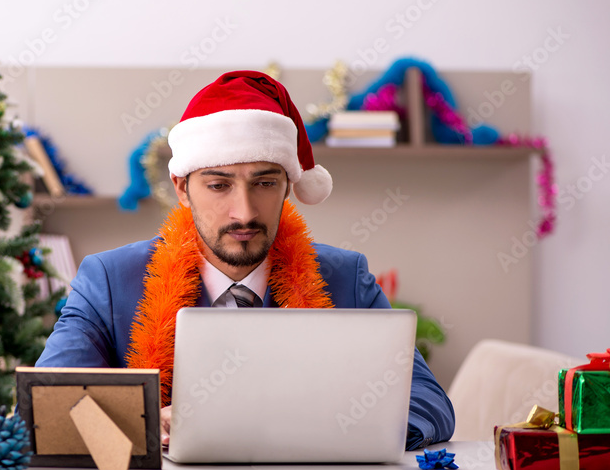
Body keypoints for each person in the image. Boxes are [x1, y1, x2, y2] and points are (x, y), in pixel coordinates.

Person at [35, 70, 455, 450]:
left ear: (288, 186)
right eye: (219, 185)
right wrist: (142, 420)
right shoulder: (109, 280)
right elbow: (49, 404)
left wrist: (324, 425)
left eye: (265, 183)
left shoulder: (345, 279)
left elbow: (429, 404)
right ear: (181, 188)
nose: (245, 212)